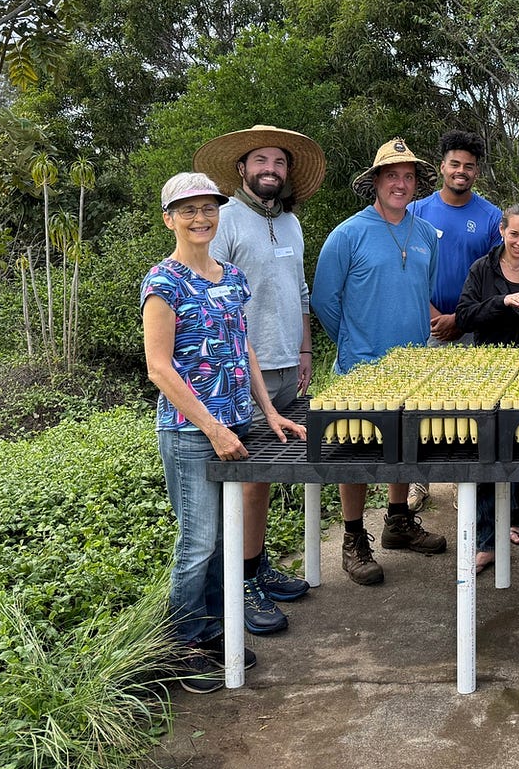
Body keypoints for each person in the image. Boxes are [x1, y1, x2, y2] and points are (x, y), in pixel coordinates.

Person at [142, 172, 306, 694]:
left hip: (235, 425)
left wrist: (268, 412)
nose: (200, 218)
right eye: (187, 210)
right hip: (194, 433)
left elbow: (244, 348)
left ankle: (213, 632)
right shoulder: (163, 283)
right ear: (169, 219)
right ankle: (185, 646)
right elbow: (159, 369)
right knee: (198, 542)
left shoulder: (230, 276)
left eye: (207, 208)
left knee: (222, 538)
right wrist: (211, 428)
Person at [195, 124, 324, 636]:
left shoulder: (290, 224)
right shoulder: (224, 221)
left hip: (287, 366)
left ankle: (254, 566)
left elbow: (300, 292)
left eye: (279, 163)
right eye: (261, 161)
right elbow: (214, 302)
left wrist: (306, 347)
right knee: (239, 478)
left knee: (262, 477)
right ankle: (234, 586)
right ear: (243, 168)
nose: (271, 170)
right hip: (240, 373)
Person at [313, 139, 448, 586]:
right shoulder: (348, 233)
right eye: (392, 175)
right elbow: (324, 300)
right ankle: (353, 538)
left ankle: (398, 522)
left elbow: (422, 293)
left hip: (413, 367)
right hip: (360, 369)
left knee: (405, 447)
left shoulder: (426, 234)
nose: (401, 183)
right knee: (355, 453)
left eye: (409, 176)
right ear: (376, 181)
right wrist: (354, 345)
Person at [455, 204, 519, 574]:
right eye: (514, 234)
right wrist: (502, 302)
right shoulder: (482, 270)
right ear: (501, 231)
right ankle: (487, 541)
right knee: (488, 453)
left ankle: (512, 513)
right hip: (489, 372)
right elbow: (465, 316)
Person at [404, 130, 503, 515]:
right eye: (455, 164)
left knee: (474, 406)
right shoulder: (416, 212)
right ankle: (418, 481)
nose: (461, 172)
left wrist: (461, 320)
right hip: (425, 324)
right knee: (420, 405)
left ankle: (473, 482)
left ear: (477, 172)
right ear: (442, 166)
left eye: (469, 166)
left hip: (472, 328)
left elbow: (495, 276)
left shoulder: (490, 216)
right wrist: (434, 316)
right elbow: (408, 270)